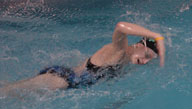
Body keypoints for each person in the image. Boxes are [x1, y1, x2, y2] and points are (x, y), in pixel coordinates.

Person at [0, 22, 165, 93]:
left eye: (150, 60)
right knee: (7, 93)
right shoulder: (120, 50)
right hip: (60, 80)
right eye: (147, 55)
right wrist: (155, 35)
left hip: (65, 83)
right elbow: (121, 26)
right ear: (138, 45)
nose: (145, 62)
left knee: (13, 94)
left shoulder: (124, 63)